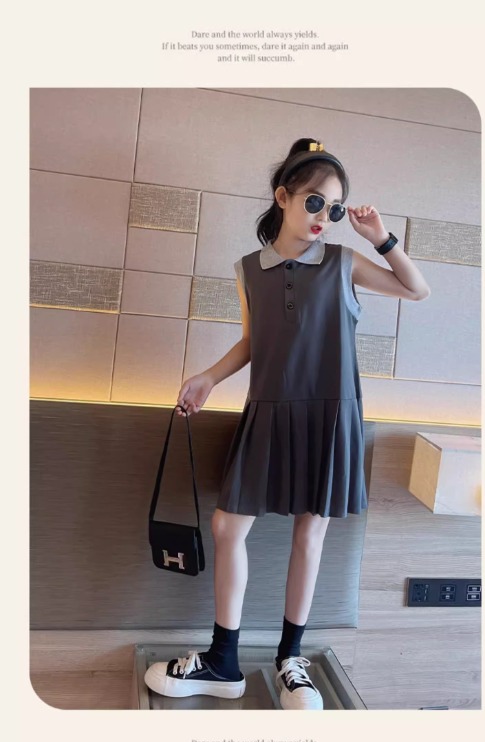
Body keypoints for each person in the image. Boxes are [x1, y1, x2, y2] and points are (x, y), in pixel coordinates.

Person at [144, 137, 431, 710]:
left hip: (330, 413)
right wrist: (207, 378)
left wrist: (381, 237)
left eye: (334, 208)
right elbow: (255, 341)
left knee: (310, 532)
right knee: (228, 527)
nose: (324, 216)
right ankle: (224, 660)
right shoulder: (248, 270)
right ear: (283, 197)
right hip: (269, 409)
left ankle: (290, 660)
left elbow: (415, 289)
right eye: (314, 202)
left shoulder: (344, 263)